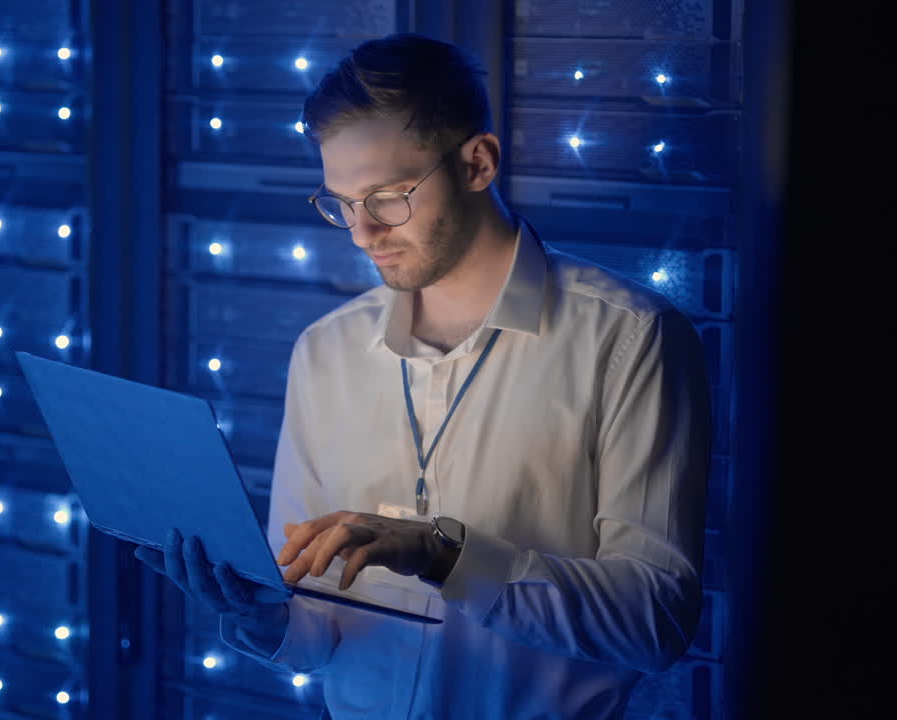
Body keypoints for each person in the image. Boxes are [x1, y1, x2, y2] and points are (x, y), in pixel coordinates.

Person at [134, 32, 713, 720]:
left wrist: (442, 555)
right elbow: (317, 626)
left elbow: (655, 624)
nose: (361, 232)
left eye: (386, 196)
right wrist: (265, 619)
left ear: (478, 163)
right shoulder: (326, 351)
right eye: (341, 203)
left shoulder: (629, 337)